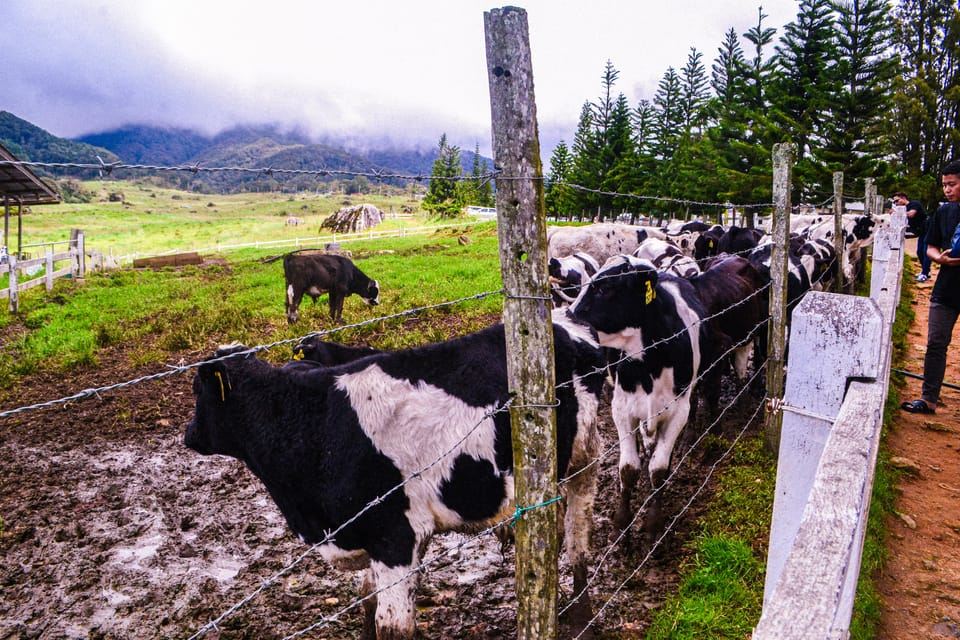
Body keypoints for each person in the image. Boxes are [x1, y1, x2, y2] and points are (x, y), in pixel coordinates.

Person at [901, 160, 960, 414]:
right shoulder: (944, 213)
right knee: (936, 341)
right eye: (944, 185)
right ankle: (928, 398)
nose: (947, 190)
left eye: (952, 184)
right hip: (946, 288)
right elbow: (930, 246)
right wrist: (940, 259)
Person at [892, 191, 929, 281]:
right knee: (919, 252)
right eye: (894, 202)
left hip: (928, 229)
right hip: (922, 232)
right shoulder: (904, 209)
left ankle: (924, 273)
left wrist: (897, 213)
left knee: (925, 251)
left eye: (897, 201)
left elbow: (911, 214)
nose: (896, 203)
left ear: (903, 198)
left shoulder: (914, 204)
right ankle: (926, 271)